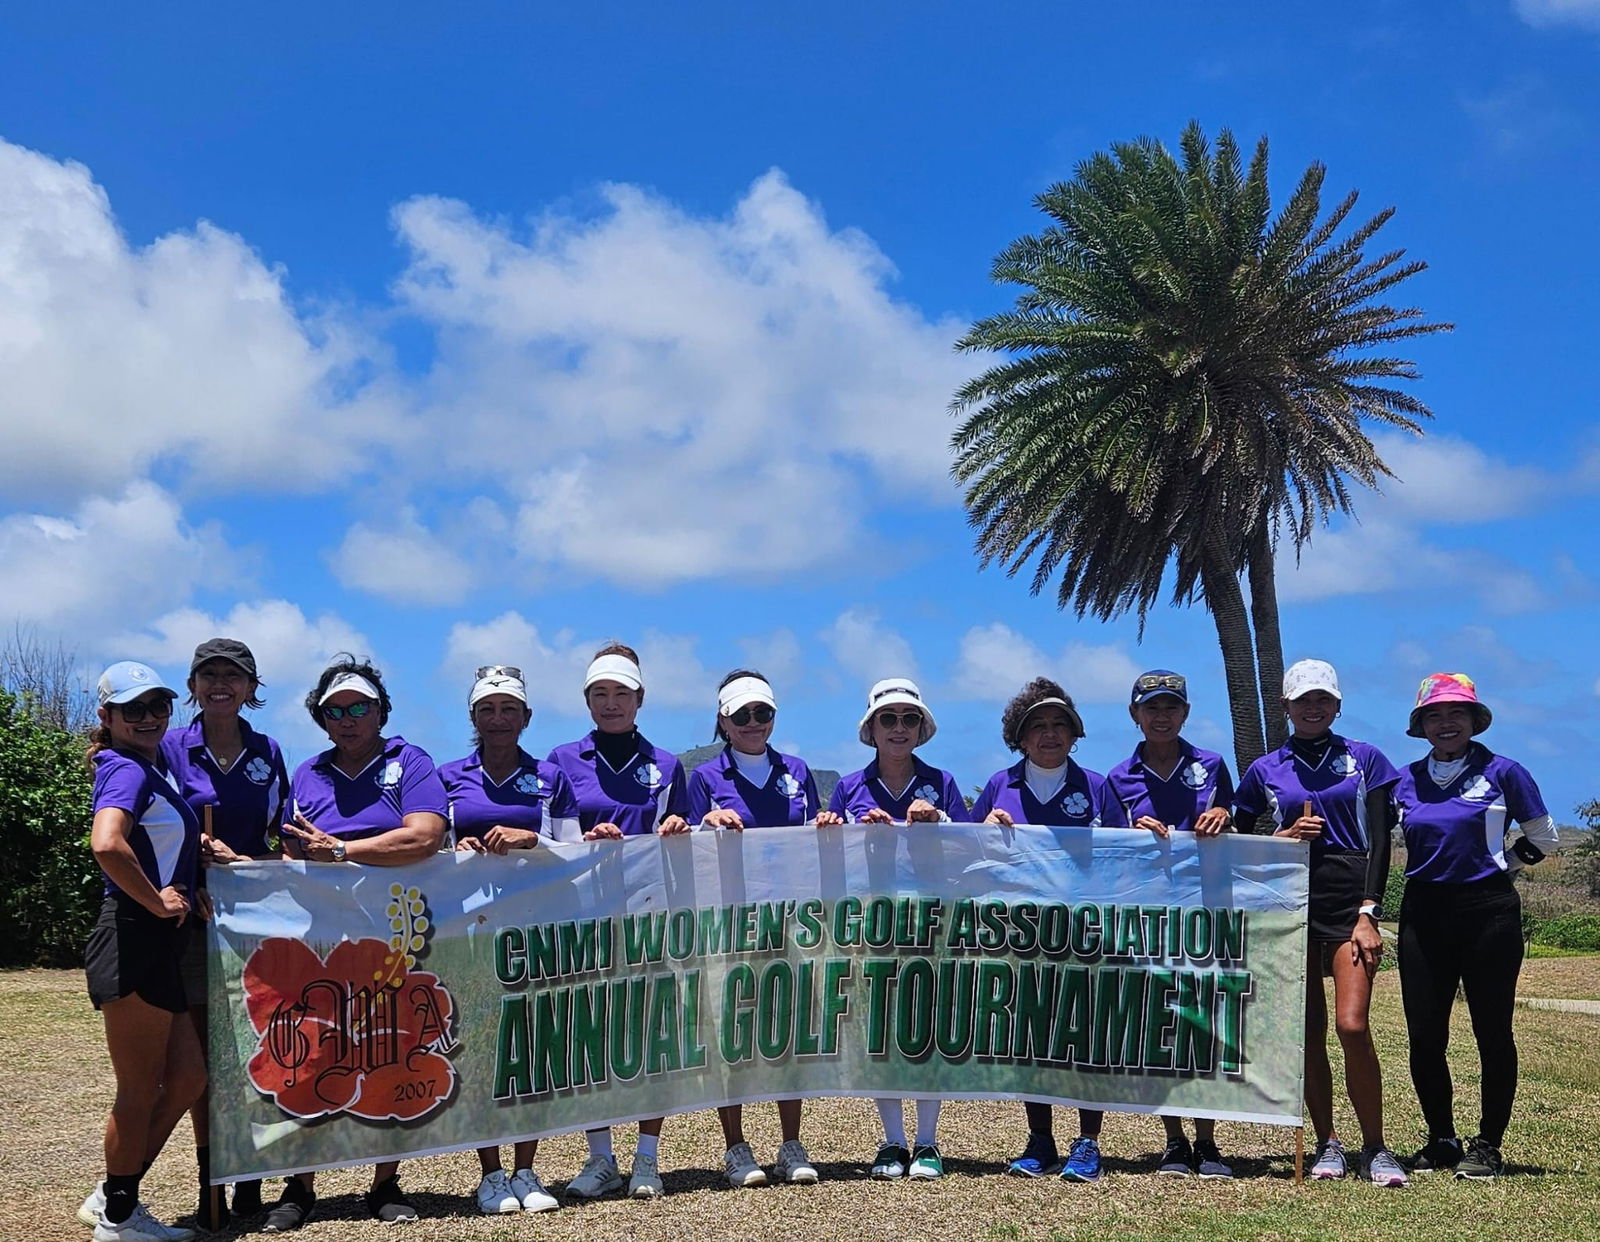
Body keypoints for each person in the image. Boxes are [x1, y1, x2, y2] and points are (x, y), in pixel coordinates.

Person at [262, 657, 448, 1231]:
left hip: (393, 934)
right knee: (312, 1051)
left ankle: (384, 1183)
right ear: (321, 719)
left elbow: (425, 835)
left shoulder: (410, 762)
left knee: (389, 1049)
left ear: (380, 711)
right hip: (318, 934)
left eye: (359, 707)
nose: (347, 719)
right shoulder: (309, 773)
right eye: (334, 710)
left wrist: (342, 851)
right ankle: (300, 1186)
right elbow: (291, 851)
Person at [1233, 659, 1408, 1187]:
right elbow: (1242, 843)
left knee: (1352, 1026)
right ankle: (1328, 1142)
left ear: (1336, 705)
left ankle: (1375, 1147)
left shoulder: (1366, 759)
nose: (1313, 708)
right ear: (1285, 707)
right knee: (1306, 1034)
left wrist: (1369, 911)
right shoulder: (1265, 768)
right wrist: (1283, 836)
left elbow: (1380, 840)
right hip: (1289, 902)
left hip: (1348, 898)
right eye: (1302, 700)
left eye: (1322, 699)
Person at [1391, 673, 1559, 1180]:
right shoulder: (1403, 779)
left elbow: (1544, 838)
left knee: (1492, 1031)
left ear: (1473, 721)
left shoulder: (1505, 772)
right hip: (1423, 914)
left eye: (1456, 714)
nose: (1446, 723)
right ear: (1421, 725)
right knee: (1424, 1034)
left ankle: (1488, 1144)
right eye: (1435, 715)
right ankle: (1441, 1138)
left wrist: (1503, 865)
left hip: (1489, 913)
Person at [545, 643, 690, 1200]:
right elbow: (551, 838)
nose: (611, 704)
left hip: (648, 913)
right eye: (601, 694)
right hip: (583, 917)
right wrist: (582, 841)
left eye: (621, 694)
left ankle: (648, 1157)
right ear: (587, 700)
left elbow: (688, 832)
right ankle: (601, 1156)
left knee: (651, 1036)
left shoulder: (668, 764)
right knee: (594, 1037)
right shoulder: (559, 760)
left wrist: (680, 826)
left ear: (640, 699)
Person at [972, 677, 1126, 1184]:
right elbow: (965, 855)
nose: (1050, 734)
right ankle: (1040, 1140)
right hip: (1022, 934)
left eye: (1060, 724)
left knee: (1084, 1036)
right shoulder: (999, 787)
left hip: (1085, 932)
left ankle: (1088, 1141)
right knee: (1032, 1035)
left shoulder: (1097, 787)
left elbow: (1125, 856)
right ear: (1019, 736)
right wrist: (985, 835)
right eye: (1037, 725)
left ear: (1075, 732)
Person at [157, 638, 288, 1229]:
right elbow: (148, 827)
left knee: (256, 1046)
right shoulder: (168, 747)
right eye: (208, 674)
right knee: (208, 1057)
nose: (220, 684)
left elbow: (279, 832)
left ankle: (251, 1180)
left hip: (255, 919)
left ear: (252, 689)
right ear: (191, 685)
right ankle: (214, 1177)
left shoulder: (268, 751)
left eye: (233, 676)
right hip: (193, 916)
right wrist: (194, 853)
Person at [440, 665, 578, 1214]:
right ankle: (490, 1174)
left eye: (509, 709)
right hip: (469, 926)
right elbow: (429, 845)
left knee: (531, 1048)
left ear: (526, 717)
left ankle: (527, 1169)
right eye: (488, 709)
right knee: (479, 1050)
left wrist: (532, 839)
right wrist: (458, 853)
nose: (499, 719)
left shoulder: (548, 776)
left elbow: (573, 852)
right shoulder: (449, 775)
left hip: (534, 923)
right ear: (473, 716)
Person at [80, 661, 207, 1242]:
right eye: (134, 709)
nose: (150, 717)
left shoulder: (152, 767)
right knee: (138, 1090)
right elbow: (106, 844)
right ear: (107, 717)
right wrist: (157, 901)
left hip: (155, 939)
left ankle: (115, 1196)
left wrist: (193, 874)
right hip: (131, 935)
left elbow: (156, 840)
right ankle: (118, 1218)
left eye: (159, 705)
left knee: (185, 1078)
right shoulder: (125, 769)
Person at [823, 677, 968, 1182]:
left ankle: (927, 1141)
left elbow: (968, 849)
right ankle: (892, 1141)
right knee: (881, 1031)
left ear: (921, 727)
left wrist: (940, 821)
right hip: (872, 923)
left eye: (909, 719)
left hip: (931, 920)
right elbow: (829, 857)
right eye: (889, 719)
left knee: (926, 1029)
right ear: (872, 727)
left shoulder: (943, 782)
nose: (899, 728)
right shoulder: (849, 786)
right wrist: (834, 830)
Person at [685, 670, 823, 1189]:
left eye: (761, 713)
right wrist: (705, 827)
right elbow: (685, 845)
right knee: (732, 1033)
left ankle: (791, 1142)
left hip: (789, 919)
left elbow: (813, 836)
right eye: (741, 715)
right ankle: (735, 1146)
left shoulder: (798, 771)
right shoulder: (703, 779)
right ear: (723, 720)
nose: (752, 723)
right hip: (729, 920)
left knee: (787, 1030)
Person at [1104, 670, 1235, 1179]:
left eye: (1170, 707)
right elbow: (1110, 849)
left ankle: (1208, 1141)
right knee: (1163, 1026)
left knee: (1203, 1025)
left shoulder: (1212, 765)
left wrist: (1223, 812)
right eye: (1151, 707)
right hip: (1150, 918)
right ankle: (1174, 1140)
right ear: (1135, 715)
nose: (1161, 716)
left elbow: (1236, 821)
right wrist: (1132, 831)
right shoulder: (1118, 778)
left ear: (1185, 713)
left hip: (1206, 913)